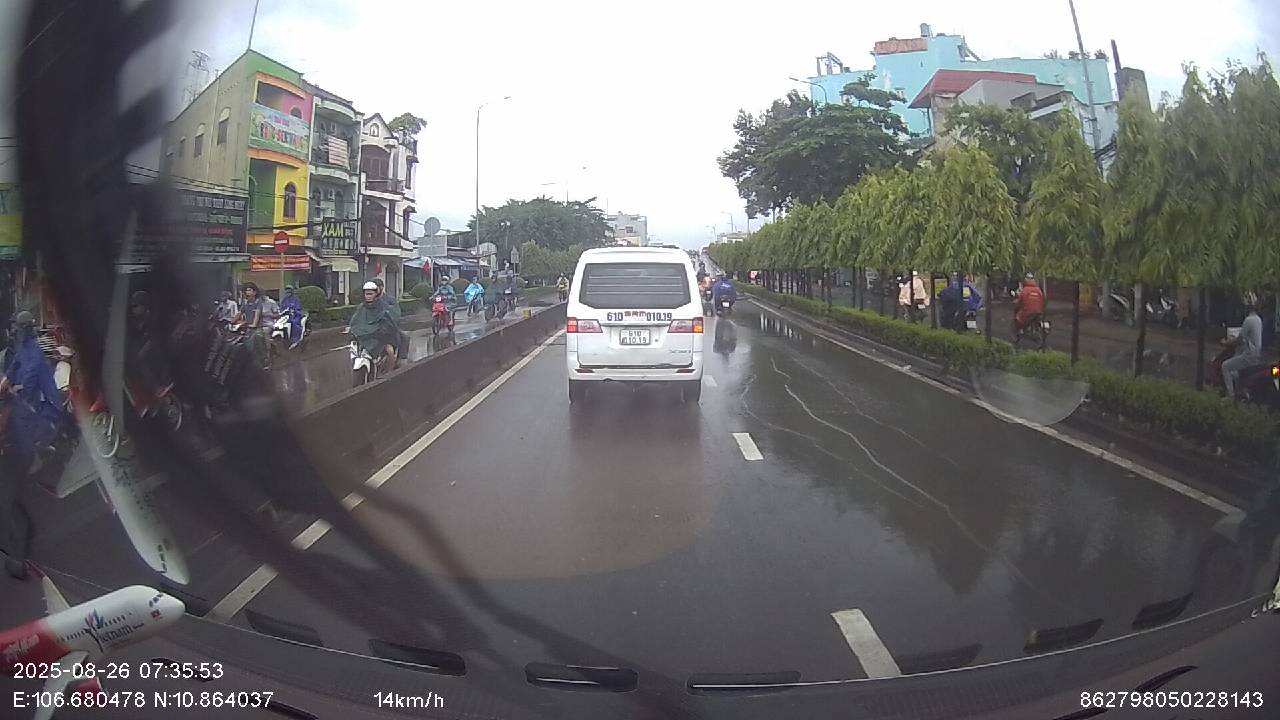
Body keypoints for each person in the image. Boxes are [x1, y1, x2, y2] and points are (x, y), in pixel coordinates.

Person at [349, 281, 400, 372]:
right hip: (365, 338)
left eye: (370, 294)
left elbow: (391, 319)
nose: (368, 296)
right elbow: (355, 321)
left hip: (380, 338)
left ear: (376, 294)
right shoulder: (361, 307)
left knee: (390, 351)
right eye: (366, 294)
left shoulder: (384, 306)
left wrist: (384, 328)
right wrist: (351, 328)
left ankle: (388, 374)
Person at [1222, 292, 1265, 399]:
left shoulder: (1248, 320)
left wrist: (1226, 342)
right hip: (1256, 355)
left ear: (1246, 308)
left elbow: (1240, 339)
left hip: (1248, 356)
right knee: (1235, 370)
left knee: (1225, 366)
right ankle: (1239, 391)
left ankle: (1230, 396)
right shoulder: (1258, 319)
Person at [1013, 273, 1046, 338]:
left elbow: (1020, 301)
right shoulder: (1038, 290)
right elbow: (1043, 300)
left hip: (1027, 311)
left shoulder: (1025, 290)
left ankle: (1021, 330)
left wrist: (1016, 305)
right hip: (1039, 311)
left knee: (1019, 317)